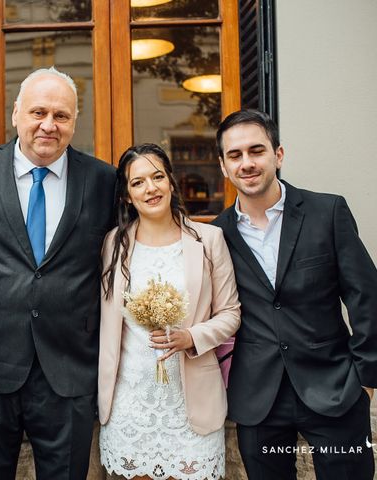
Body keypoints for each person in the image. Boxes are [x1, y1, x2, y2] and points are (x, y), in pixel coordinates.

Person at [0, 67, 116, 479]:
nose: (49, 125)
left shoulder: (103, 180)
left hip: (69, 371)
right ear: (16, 113)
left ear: (75, 121)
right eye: (38, 112)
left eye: (62, 115)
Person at [212, 109, 377, 479]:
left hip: (335, 389)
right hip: (258, 399)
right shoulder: (215, 234)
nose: (247, 163)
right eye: (235, 155)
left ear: (278, 155)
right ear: (224, 167)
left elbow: (366, 297)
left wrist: (366, 380)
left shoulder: (327, 211)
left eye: (257, 151)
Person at [98, 143, 241, 480]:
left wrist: (191, 336)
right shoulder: (113, 244)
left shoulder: (209, 239)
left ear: (171, 182)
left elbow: (231, 312)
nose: (151, 188)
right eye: (138, 182)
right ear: (126, 195)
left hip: (191, 404)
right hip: (130, 402)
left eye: (158, 176)